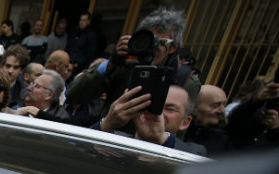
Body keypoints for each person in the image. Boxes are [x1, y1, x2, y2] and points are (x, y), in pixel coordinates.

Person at [66, 7, 200, 131]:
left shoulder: (185, 80)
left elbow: (178, 135)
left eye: (160, 42)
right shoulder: (125, 66)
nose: (152, 48)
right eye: (149, 41)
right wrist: (111, 63)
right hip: (111, 139)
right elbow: (73, 94)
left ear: (173, 47)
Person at [96, 84, 207, 155]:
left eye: (170, 109)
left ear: (185, 122)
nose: (158, 113)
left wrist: (159, 138)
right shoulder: (114, 139)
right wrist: (108, 123)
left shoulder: (193, 152)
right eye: (153, 105)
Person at [183, 84, 233, 155]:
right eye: (215, 106)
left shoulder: (222, 139)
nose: (222, 111)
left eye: (224, 105)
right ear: (194, 106)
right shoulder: (178, 132)